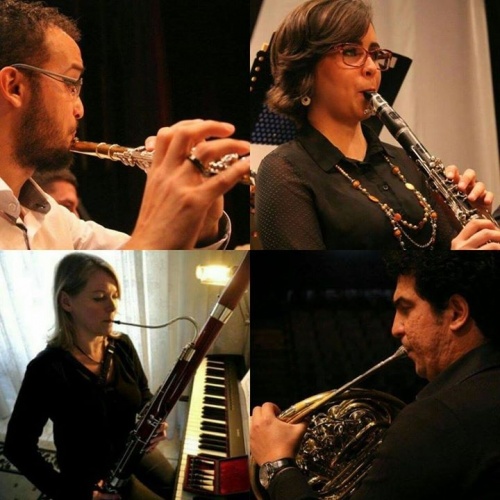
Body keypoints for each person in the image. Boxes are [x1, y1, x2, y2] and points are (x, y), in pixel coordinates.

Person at [0, 0, 250, 250]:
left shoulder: (57, 221)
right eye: (71, 84)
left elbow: (150, 269)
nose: (80, 109)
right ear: (15, 87)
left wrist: (199, 227)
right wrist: (159, 217)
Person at [250, 251, 500, 499]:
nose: (395, 328)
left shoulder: (434, 420)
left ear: (456, 312)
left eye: (406, 308)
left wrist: (277, 463)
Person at [254, 0, 500, 250]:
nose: (372, 68)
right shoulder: (283, 170)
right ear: (305, 69)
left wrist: (474, 225)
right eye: (351, 52)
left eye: (374, 54)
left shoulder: (405, 162)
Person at [4, 253, 175, 500]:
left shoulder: (122, 345)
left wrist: (156, 422)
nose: (113, 307)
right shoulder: (46, 369)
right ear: (66, 302)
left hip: (132, 451)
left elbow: (143, 394)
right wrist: (75, 493)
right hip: (90, 477)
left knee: (181, 488)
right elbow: (17, 447)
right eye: (99, 297)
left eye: (115, 296)